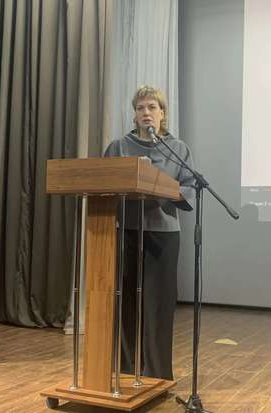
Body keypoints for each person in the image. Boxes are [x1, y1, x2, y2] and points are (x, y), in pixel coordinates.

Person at [103, 85, 195, 380]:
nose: (146, 112)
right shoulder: (119, 147)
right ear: (135, 114)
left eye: (152, 107)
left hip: (163, 235)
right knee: (127, 301)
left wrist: (166, 190)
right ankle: (126, 370)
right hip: (127, 232)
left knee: (157, 305)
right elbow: (103, 182)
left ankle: (156, 374)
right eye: (140, 108)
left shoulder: (177, 149)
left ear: (162, 113)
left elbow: (189, 186)